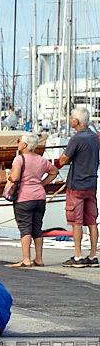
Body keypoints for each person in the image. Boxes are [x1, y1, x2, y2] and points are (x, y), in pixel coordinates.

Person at [5, 133, 58, 268]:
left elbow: (16, 177)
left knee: (25, 228)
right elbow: (54, 171)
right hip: (40, 197)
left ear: (24, 144)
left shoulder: (19, 159)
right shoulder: (41, 160)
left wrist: (9, 177)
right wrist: (42, 183)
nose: (18, 143)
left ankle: (26, 259)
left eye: (19, 141)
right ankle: (39, 259)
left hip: (24, 197)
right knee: (37, 228)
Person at [56, 107, 100, 267]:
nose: (69, 120)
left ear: (76, 121)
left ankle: (78, 255)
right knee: (92, 221)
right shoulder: (95, 138)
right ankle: (94, 255)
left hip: (77, 185)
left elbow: (63, 160)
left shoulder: (77, 139)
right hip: (91, 184)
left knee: (77, 221)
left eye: (71, 118)